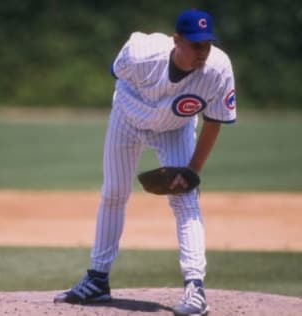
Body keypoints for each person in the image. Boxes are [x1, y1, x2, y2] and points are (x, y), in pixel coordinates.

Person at [54, 8, 236, 316]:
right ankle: (97, 280)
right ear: (176, 40)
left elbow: (214, 121)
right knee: (114, 192)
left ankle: (195, 289)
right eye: (194, 44)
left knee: (185, 198)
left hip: (175, 128)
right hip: (127, 117)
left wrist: (192, 171)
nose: (202, 52)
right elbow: (117, 75)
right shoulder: (140, 53)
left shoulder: (218, 69)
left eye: (206, 44)